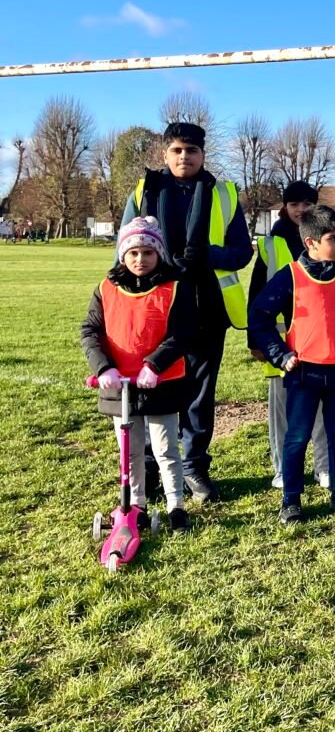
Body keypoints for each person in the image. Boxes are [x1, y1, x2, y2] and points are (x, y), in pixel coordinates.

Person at [121, 121, 252, 503]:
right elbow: (123, 250)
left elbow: (242, 252)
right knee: (152, 388)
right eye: (177, 150)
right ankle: (151, 469)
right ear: (165, 154)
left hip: (207, 306)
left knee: (199, 394)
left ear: (202, 155)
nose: (184, 157)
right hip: (154, 310)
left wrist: (208, 255)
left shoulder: (224, 193)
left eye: (191, 151)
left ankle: (194, 466)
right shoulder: (145, 190)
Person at [248, 206, 335, 524]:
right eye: (334, 239)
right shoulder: (289, 276)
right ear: (311, 242)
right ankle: (291, 500)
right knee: (297, 437)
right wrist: (280, 355)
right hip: (303, 373)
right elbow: (259, 315)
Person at [81, 217, 196, 534]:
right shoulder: (106, 289)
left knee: (165, 449)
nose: (140, 259)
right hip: (121, 386)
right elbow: (90, 331)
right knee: (130, 452)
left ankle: (176, 506)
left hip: (161, 382)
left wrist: (155, 364)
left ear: (159, 253)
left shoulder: (174, 288)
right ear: (123, 255)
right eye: (133, 253)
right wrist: (103, 367)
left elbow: (183, 333)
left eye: (148, 252)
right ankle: (137, 505)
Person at [248, 180, 330, 491]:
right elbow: (256, 295)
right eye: (294, 204)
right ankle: (284, 469)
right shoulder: (271, 244)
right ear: (285, 207)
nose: (301, 210)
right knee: (281, 413)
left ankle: (324, 467)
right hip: (280, 345)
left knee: (321, 409)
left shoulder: (326, 239)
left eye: (307, 204)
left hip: (320, 344)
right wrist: (256, 342)